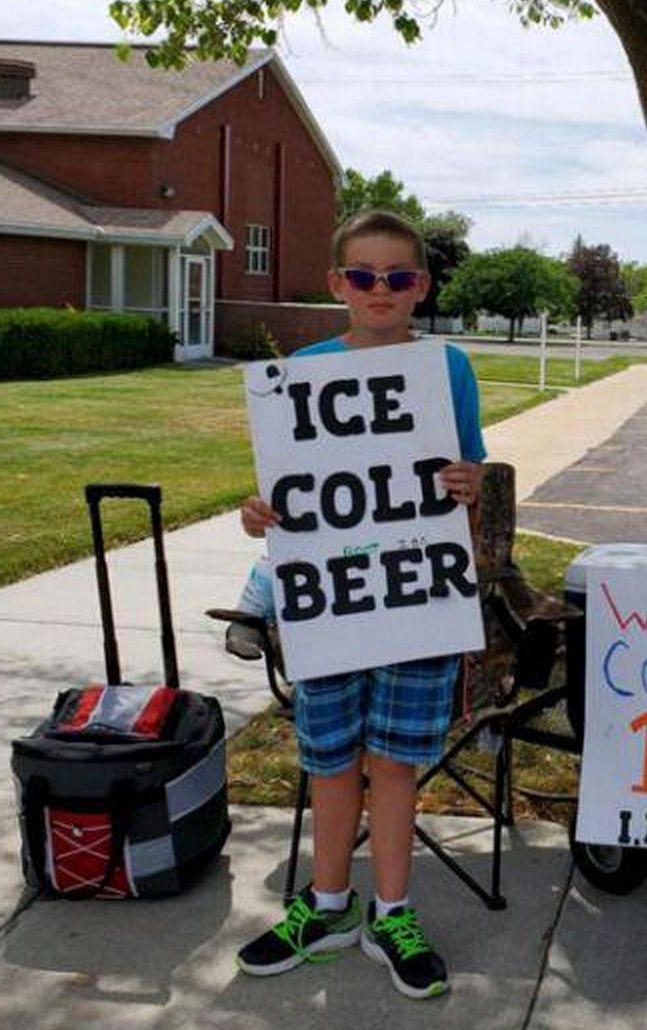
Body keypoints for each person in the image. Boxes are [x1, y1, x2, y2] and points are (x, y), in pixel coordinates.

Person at [234, 210, 485, 999]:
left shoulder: (448, 369)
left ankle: (394, 911)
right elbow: (285, 491)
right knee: (332, 762)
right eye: (366, 277)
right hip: (333, 606)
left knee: (395, 765)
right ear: (338, 283)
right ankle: (331, 904)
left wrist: (471, 485)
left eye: (400, 278)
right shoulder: (302, 370)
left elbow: (464, 478)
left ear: (423, 287)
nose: (383, 291)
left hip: (414, 602)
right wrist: (258, 513)